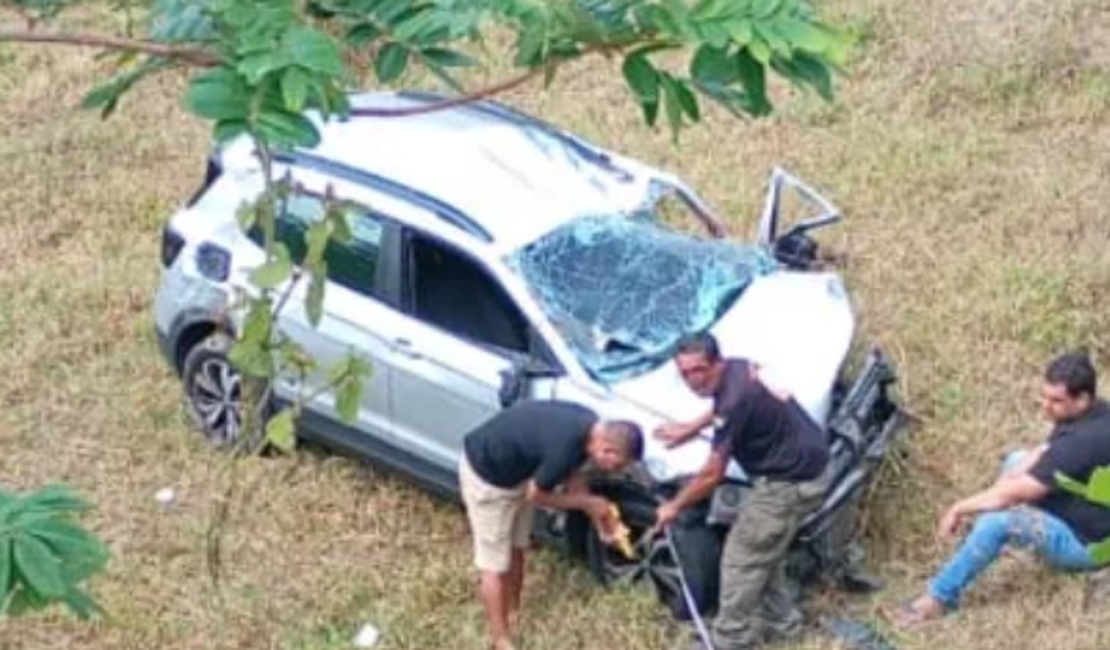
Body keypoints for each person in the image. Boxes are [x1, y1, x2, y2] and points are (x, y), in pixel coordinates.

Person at [895, 351, 1110, 627]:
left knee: (1000, 521)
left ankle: (938, 599)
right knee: (1016, 460)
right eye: (1044, 397)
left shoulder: (1081, 443)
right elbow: (1046, 450)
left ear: (1082, 399)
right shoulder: (1095, 413)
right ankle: (980, 541)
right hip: (1087, 506)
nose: (1045, 406)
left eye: (1056, 401)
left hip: (1087, 544)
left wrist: (959, 508)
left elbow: (1017, 493)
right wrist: (1006, 484)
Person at [653, 332, 831, 650]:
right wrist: (689, 428)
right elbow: (724, 410)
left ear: (716, 363)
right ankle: (784, 624)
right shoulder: (738, 369)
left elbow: (711, 474)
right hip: (810, 464)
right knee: (764, 550)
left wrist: (674, 506)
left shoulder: (734, 397)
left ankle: (729, 638)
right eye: (685, 373)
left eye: (699, 370)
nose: (693, 380)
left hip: (788, 483)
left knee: (741, 559)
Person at [459, 399, 645, 650]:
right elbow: (537, 497)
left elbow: (573, 476)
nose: (616, 471)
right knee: (494, 565)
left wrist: (600, 521)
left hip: (520, 475)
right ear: (607, 451)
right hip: (488, 476)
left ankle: (514, 610)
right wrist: (586, 504)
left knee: (517, 546)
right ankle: (500, 639)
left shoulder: (589, 427)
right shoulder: (566, 445)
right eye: (619, 464)